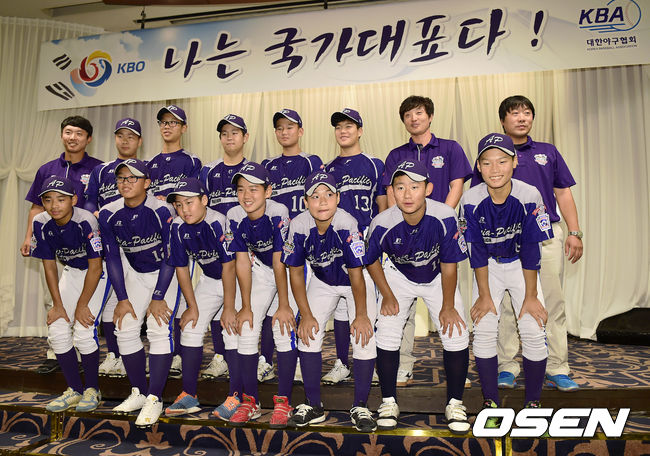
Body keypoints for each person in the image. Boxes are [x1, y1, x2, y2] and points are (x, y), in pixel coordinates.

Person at [471, 95, 584, 392]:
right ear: (503, 120)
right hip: (503, 240)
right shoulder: (490, 156)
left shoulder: (547, 152)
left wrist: (574, 231)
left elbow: (563, 193)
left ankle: (557, 367)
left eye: (527, 113)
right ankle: (507, 366)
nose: (521, 118)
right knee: (506, 306)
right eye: (514, 113)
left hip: (544, 238)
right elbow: (478, 200)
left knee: (551, 303)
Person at [366, 159, 470, 433]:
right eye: (400, 187)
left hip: (436, 275)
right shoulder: (382, 222)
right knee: (387, 331)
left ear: (428, 188)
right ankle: (388, 401)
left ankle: (455, 403)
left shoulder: (445, 215)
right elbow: (371, 260)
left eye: (414, 186)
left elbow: (450, 264)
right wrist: (387, 294)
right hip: (399, 276)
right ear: (391, 191)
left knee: (456, 331)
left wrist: (448, 305)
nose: (407, 194)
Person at [460, 133, 551, 423]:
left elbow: (532, 247)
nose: (495, 168)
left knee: (533, 327)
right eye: (487, 162)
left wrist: (531, 296)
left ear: (514, 162)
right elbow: (476, 251)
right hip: (488, 266)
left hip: (522, 265)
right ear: (478, 166)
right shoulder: (470, 198)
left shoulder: (530, 194)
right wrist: (485, 295)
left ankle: (533, 402)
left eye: (502, 161)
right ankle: (491, 402)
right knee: (484, 327)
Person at [382, 95, 472, 387]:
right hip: (404, 240)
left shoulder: (450, 148)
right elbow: (391, 193)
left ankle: (456, 369)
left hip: (441, 237)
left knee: (449, 302)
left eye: (419, 113)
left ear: (430, 116)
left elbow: (457, 184)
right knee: (402, 311)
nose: (414, 118)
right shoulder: (396, 154)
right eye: (408, 115)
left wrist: (438, 218)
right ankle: (403, 366)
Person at [283, 171, 377, 432]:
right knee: (308, 334)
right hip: (323, 279)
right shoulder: (299, 225)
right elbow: (295, 272)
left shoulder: (347, 223)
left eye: (328, 194)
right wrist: (305, 314)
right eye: (315, 196)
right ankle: (313, 404)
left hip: (354, 281)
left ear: (338, 198)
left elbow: (356, 274)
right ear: (305, 201)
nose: (322, 201)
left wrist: (361, 315)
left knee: (363, 336)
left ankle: (360, 405)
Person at [98, 159, 181, 427]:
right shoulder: (108, 213)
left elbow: (170, 255)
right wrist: (122, 298)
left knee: (159, 328)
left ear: (147, 183)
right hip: (135, 273)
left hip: (165, 273)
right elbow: (112, 257)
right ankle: (139, 392)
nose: (125, 183)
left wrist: (158, 297)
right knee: (124, 327)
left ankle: (155, 397)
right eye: (121, 178)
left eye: (132, 178)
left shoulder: (162, 210)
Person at [21, 116, 103, 374]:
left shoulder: (99, 169)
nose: (73, 137)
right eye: (68, 132)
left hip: (86, 244)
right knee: (53, 295)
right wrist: (28, 236)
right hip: (55, 242)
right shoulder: (46, 169)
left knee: (88, 301)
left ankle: (83, 350)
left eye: (79, 133)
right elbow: (36, 207)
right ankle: (55, 351)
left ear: (88, 139)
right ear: (61, 135)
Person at [225, 162, 298, 428]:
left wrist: (284, 304)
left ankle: (283, 401)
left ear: (268, 191)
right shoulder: (234, 215)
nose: (246, 195)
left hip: (291, 269)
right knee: (246, 326)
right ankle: (250, 401)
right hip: (262, 269)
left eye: (253, 189)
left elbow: (281, 262)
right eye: (241, 189)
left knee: (282, 327)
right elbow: (242, 262)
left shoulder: (278, 211)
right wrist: (245, 306)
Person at [32, 176, 109, 413]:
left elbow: (96, 266)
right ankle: (74, 389)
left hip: (97, 273)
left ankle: (92, 390)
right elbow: (49, 266)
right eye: (48, 200)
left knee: (84, 330)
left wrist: (82, 305)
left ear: (73, 200)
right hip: (71, 271)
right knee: (57, 329)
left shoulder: (86, 220)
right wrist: (57, 305)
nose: (54, 205)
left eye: (61, 199)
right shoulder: (40, 221)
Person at [321, 108, 385, 386]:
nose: (343, 131)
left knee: (370, 304)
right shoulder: (327, 169)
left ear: (360, 131)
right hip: (336, 242)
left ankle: (371, 361)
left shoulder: (374, 164)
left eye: (349, 126)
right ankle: (341, 363)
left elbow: (383, 206)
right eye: (338, 127)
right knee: (340, 307)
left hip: (366, 241)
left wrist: (379, 241)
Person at [163, 178, 237, 417]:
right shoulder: (177, 226)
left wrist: (228, 307)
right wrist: (192, 306)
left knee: (232, 331)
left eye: (189, 202)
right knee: (190, 327)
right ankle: (189, 395)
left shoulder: (217, 222)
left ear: (204, 200)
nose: (184, 209)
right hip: (210, 280)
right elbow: (181, 268)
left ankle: (236, 396)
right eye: (178, 204)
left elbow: (230, 266)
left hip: (237, 280)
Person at [261, 109, 323, 384]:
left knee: (298, 304)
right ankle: (265, 360)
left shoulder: (312, 161)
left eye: (290, 127)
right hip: (273, 245)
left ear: (300, 131)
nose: (284, 132)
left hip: (301, 243)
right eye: (280, 128)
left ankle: (298, 358)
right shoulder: (267, 165)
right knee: (270, 305)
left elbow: (320, 200)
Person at [85, 117, 143, 379]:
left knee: (140, 298)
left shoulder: (143, 168)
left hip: (137, 242)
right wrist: (94, 214)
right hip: (110, 240)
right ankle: (114, 354)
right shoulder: (101, 170)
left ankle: (140, 351)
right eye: (121, 136)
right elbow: (89, 201)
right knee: (111, 301)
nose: (125, 140)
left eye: (131, 136)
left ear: (139, 141)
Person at [147, 105, 202, 378]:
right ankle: (164, 349)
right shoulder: (150, 164)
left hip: (181, 238)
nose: (167, 126)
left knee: (179, 297)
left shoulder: (192, 161)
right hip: (154, 240)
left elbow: (196, 201)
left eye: (173, 122)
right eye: (163, 122)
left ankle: (178, 353)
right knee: (157, 298)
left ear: (184, 128)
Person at [198, 114, 250, 381]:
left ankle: (256, 357)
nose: (229, 137)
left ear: (245, 137)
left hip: (246, 248)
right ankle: (220, 357)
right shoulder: (208, 170)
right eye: (224, 133)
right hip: (216, 248)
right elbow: (201, 208)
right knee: (218, 305)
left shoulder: (252, 169)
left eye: (235, 132)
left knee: (247, 305)